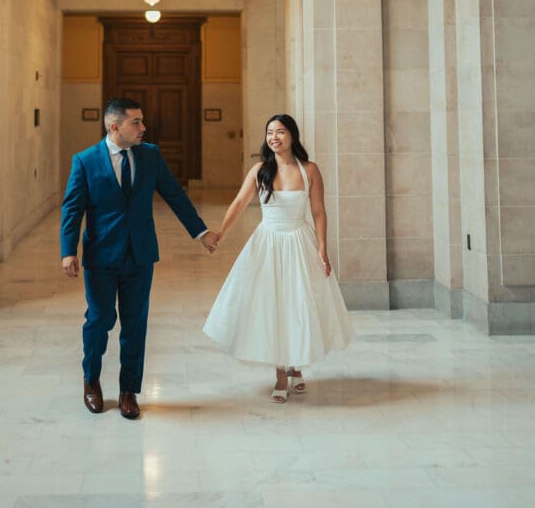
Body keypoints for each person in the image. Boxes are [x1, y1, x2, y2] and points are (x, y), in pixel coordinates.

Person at [61, 97, 218, 419]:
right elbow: (72, 208)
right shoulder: (86, 161)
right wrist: (68, 251)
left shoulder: (151, 156)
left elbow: (174, 194)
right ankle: (91, 381)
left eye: (142, 121)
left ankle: (128, 390)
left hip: (140, 254)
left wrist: (200, 232)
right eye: (136, 122)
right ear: (114, 126)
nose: (143, 128)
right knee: (99, 320)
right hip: (101, 256)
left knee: (135, 324)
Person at [203, 113, 353, 402]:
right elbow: (239, 203)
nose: (274, 137)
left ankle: (295, 365)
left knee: (297, 305)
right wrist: (221, 232)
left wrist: (322, 247)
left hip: (299, 241)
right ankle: (281, 375)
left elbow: (319, 211)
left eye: (280, 132)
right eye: (270, 132)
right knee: (273, 306)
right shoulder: (260, 170)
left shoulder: (309, 170)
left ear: (292, 136)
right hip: (267, 243)